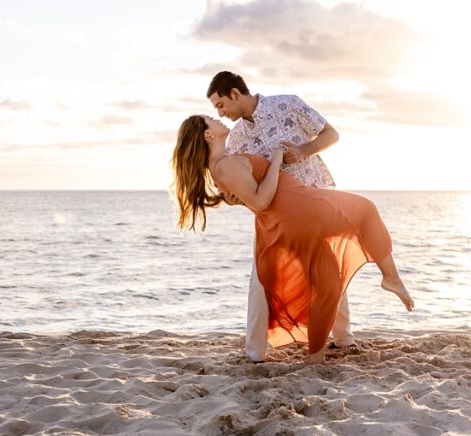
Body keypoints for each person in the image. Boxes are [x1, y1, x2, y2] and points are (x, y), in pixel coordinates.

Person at [172, 114, 414, 364]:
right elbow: (262, 201)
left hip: (292, 218)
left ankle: (316, 356)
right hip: (299, 208)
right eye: (210, 118)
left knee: (328, 281)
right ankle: (391, 278)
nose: (218, 117)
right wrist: (275, 161)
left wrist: (232, 196)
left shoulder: (222, 166)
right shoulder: (224, 165)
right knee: (365, 209)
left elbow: (252, 199)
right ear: (207, 135)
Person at [206, 71, 352, 362]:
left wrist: (302, 150)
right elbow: (246, 185)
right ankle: (254, 352)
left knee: (327, 272)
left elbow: (331, 134)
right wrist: (233, 199)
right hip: (275, 214)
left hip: (314, 200)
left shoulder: (288, 104)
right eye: (216, 110)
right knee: (261, 276)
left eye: (221, 104)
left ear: (235, 93)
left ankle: (343, 339)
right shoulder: (236, 139)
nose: (220, 112)